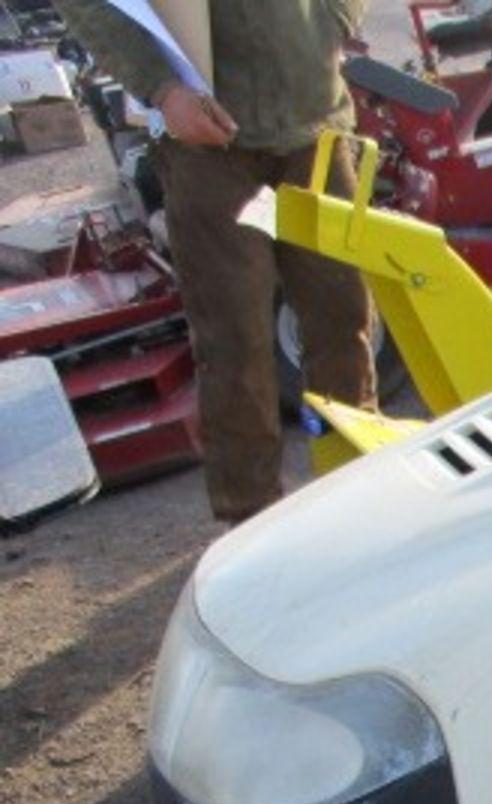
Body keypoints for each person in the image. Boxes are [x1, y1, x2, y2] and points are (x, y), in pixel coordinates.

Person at [54, 0, 375, 523]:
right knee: (235, 341)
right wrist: (161, 87)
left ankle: (359, 498)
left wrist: (336, 22)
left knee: (342, 321)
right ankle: (250, 521)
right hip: (207, 148)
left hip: (315, 127)